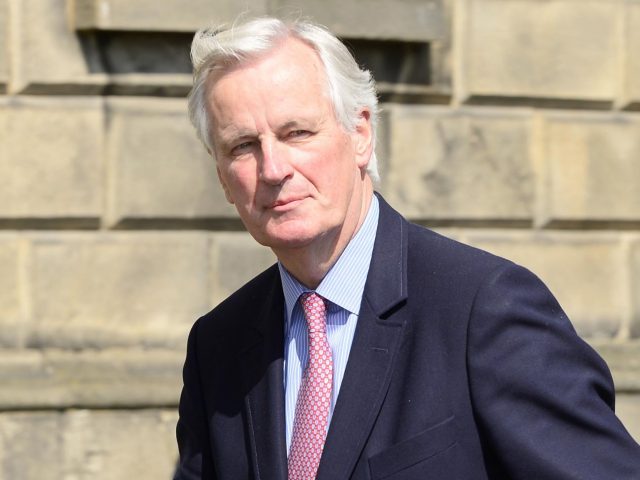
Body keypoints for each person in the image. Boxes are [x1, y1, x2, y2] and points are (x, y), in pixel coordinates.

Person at [174, 16, 640, 480]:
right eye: (243, 146)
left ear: (360, 135)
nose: (273, 168)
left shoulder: (483, 309)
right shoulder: (218, 345)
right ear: (223, 179)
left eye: (297, 132)